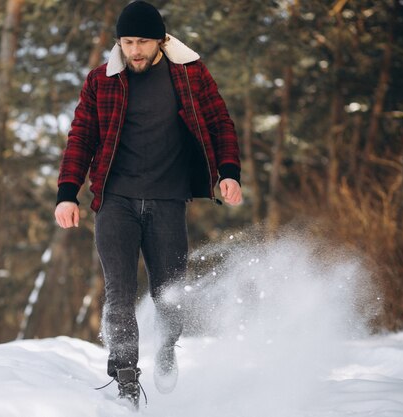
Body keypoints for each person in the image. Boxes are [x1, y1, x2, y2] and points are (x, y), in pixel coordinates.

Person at [54, 0, 242, 408]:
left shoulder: (190, 75)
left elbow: (219, 122)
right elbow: (81, 137)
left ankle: (167, 346)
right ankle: (124, 376)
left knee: (169, 293)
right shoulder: (102, 80)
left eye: (142, 42)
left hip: (168, 201)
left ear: (161, 40)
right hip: (115, 201)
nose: (134, 51)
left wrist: (229, 172)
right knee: (119, 293)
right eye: (127, 42)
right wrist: (67, 193)